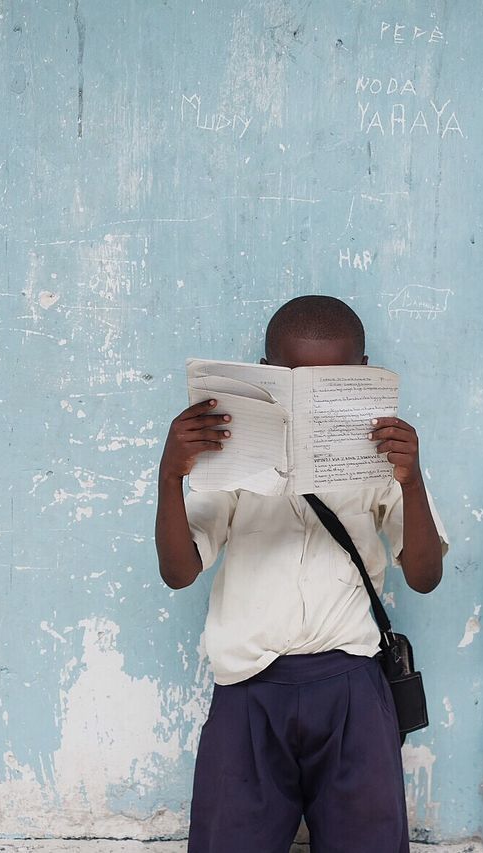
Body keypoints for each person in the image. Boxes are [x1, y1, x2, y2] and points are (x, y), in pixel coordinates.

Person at [155, 294, 449, 853]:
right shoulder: (230, 458)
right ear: (269, 375)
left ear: (361, 376)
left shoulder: (381, 458)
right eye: (294, 379)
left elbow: (425, 577)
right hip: (249, 690)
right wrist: (171, 475)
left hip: (352, 690)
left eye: (332, 380)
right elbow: (178, 571)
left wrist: (411, 481)